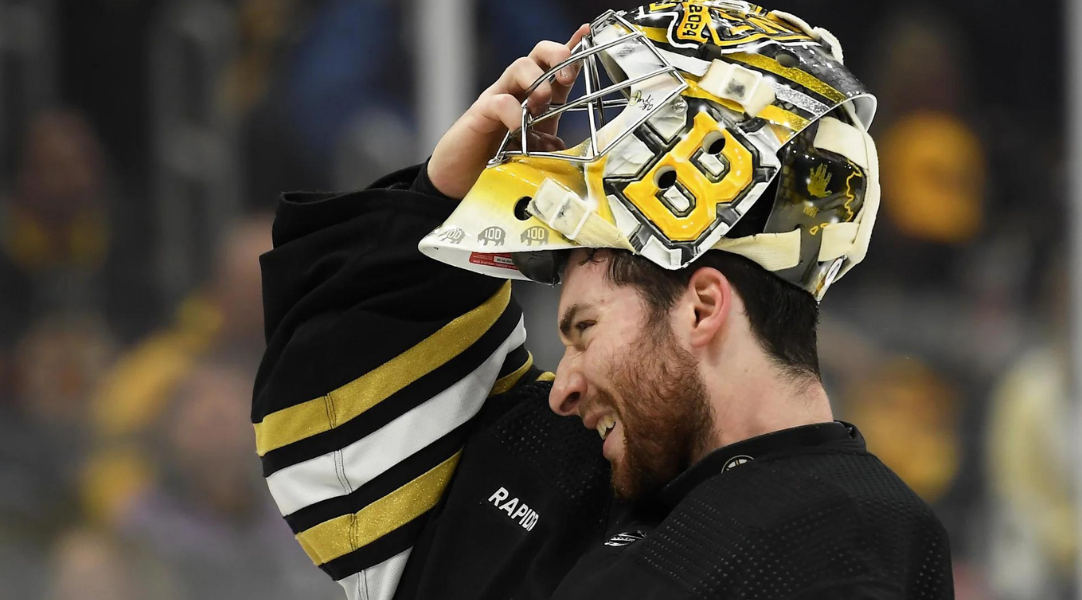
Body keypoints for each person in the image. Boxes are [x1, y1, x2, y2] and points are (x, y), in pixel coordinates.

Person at [252, 3, 953, 599]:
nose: (564, 386)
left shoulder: (849, 534)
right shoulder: (583, 466)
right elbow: (332, 445)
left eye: (583, 329)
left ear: (702, 308)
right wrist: (433, 200)